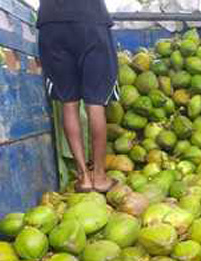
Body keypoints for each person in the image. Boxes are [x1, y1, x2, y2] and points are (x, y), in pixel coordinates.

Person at [37, 0, 118, 192]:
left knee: (69, 101)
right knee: (95, 102)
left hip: (52, 23)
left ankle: (83, 178)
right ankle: (99, 176)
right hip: (90, 19)